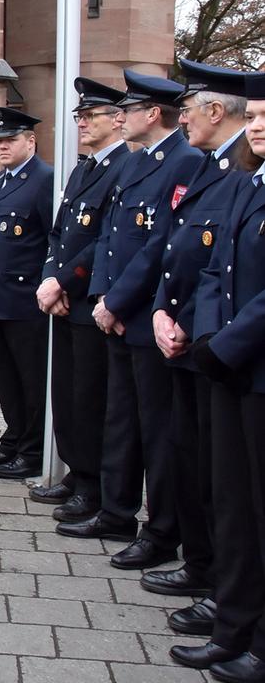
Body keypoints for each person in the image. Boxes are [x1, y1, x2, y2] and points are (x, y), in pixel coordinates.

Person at [64, 71, 202, 574]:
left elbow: (159, 245)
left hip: (145, 316)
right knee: (120, 419)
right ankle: (117, 511)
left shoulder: (183, 162)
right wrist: (102, 295)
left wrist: (117, 301)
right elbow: (108, 237)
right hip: (117, 312)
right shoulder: (137, 163)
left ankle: (162, 530)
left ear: (154, 115)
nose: (119, 118)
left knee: (157, 431)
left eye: (130, 110)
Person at [170, 70, 265, 683]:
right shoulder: (247, 184)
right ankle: (233, 626)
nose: (257, 129)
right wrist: (207, 339)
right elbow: (213, 269)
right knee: (232, 504)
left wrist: (222, 345)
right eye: (253, 118)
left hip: (253, 368)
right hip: (230, 367)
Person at [147, 61, 249, 625]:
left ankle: (222, 585)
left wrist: (199, 328)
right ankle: (202, 564)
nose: (178, 118)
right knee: (192, 456)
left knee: (223, 476)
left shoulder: (239, 168)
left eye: (186, 109)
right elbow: (182, 249)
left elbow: (224, 261)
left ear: (216, 111)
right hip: (187, 333)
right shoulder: (211, 164)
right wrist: (165, 308)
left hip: (217, 344)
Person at [34, 77, 133, 527]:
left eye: (90, 116)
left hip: (90, 297)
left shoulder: (124, 168)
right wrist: (50, 278)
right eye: (79, 116)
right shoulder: (83, 169)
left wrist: (64, 283)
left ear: (118, 119)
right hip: (65, 298)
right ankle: (77, 471)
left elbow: (106, 240)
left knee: (93, 397)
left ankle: (94, 483)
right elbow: (60, 233)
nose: (82, 124)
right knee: (69, 393)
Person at [0, 107, 54, 480]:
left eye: (10, 140)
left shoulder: (43, 180)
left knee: (29, 378)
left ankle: (33, 449)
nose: (2, 146)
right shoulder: (0, 181)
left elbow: (54, 239)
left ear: (30, 141)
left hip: (24, 300)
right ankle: (13, 439)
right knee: (4, 376)